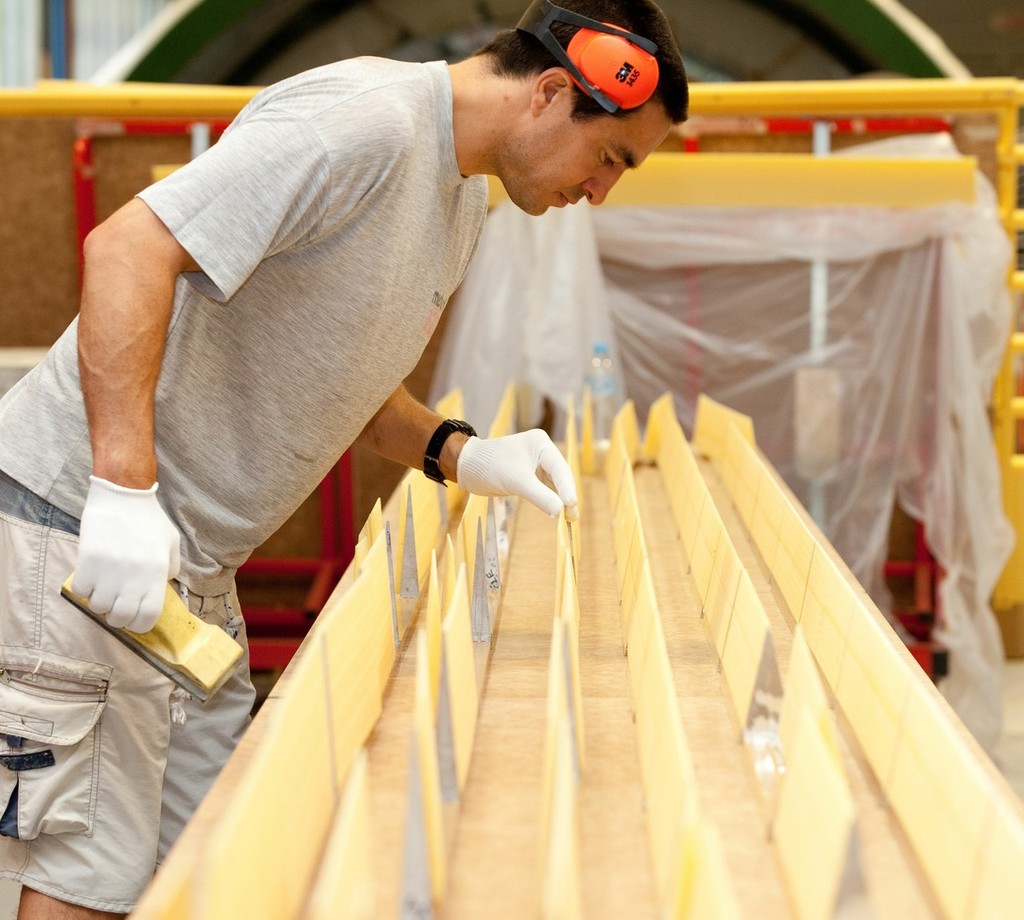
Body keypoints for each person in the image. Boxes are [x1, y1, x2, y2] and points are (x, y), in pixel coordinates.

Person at [0, 0, 689, 915]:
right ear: (552, 92)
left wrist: (461, 454)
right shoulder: (361, 122)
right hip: (83, 538)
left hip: (191, 569)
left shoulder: (462, 196)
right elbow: (127, 247)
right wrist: (122, 490)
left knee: (202, 862)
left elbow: (342, 376)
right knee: (84, 879)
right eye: (610, 159)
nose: (600, 193)